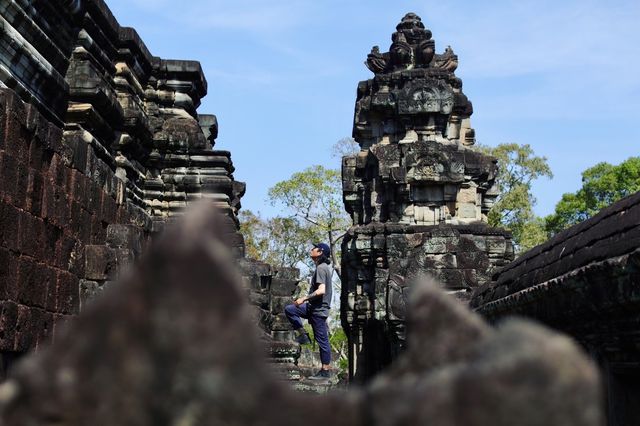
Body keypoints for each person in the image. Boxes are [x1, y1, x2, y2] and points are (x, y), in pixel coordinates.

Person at [284, 243, 334, 379]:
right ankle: (303, 334)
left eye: (314, 248)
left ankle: (325, 371)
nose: (311, 250)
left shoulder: (322, 269)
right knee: (290, 309)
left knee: (322, 340)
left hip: (318, 310)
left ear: (320, 252)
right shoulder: (320, 268)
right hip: (312, 308)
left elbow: (321, 290)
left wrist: (304, 298)